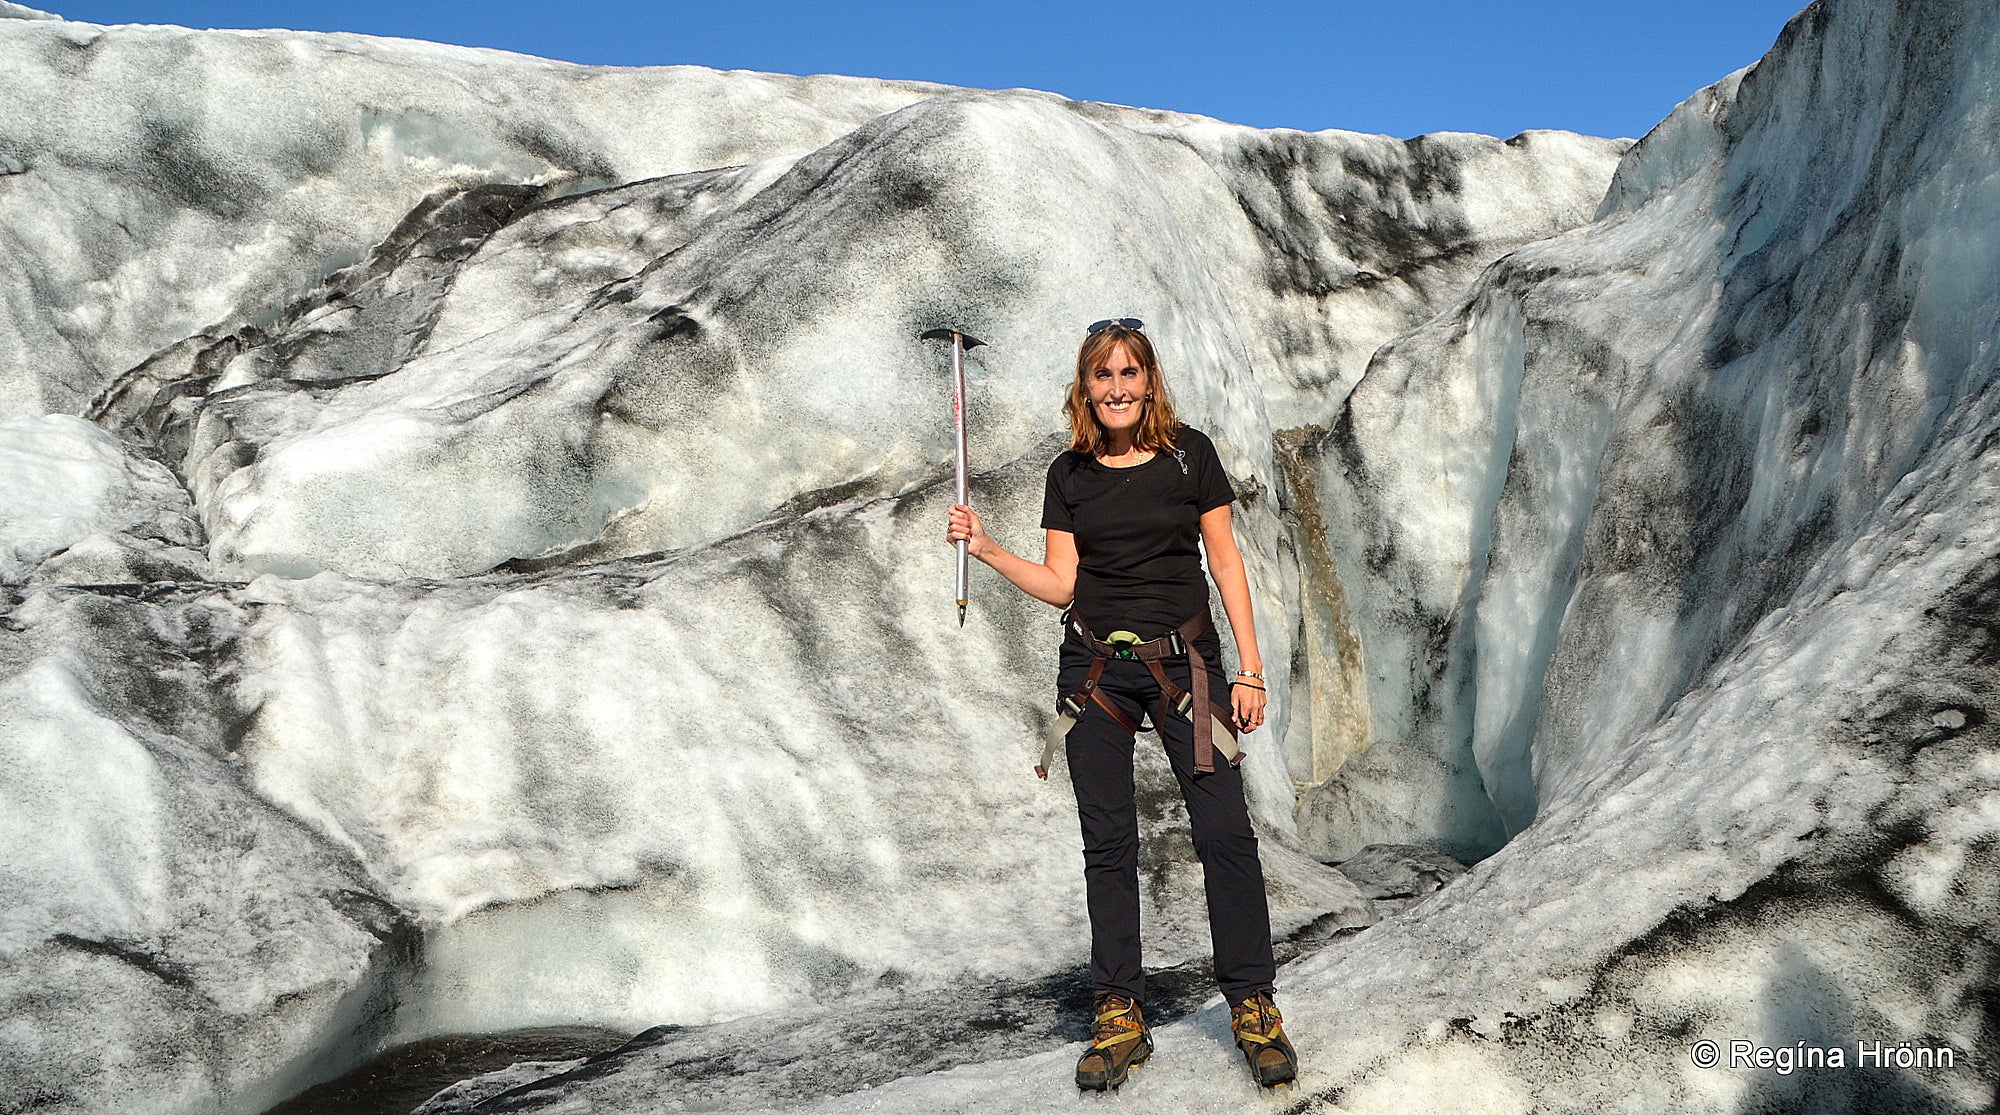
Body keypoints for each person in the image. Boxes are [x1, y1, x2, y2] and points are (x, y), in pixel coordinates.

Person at [945, 319, 1298, 1091]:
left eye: (1129, 373)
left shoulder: (1188, 455)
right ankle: (1119, 1011)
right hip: (1096, 673)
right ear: (1086, 386)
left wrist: (1252, 667)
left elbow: (1225, 558)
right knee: (1109, 844)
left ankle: (1253, 1003)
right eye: (1103, 376)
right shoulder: (1068, 473)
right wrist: (988, 548)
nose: (1117, 388)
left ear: (1149, 380)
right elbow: (1062, 584)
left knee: (1226, 833)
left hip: (1188, 668)